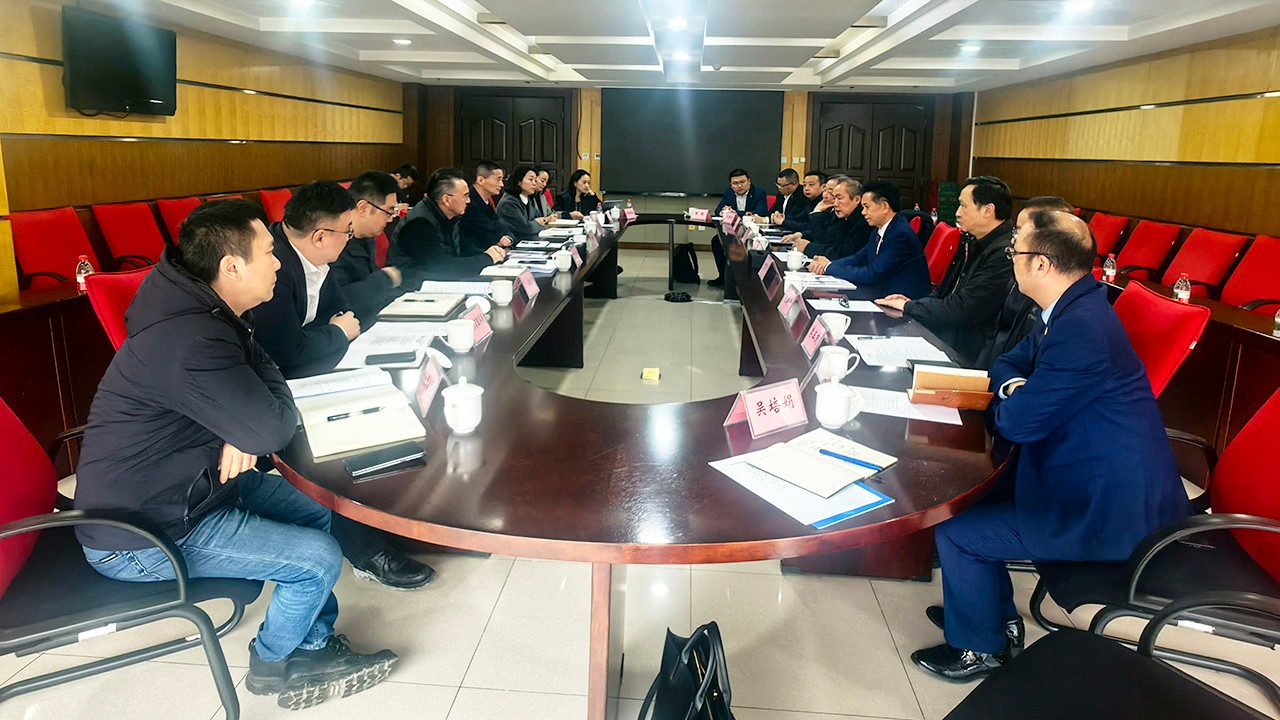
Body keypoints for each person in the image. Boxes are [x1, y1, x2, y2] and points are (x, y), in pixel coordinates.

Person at [73, 199, 398, 709]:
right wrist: (247, 426)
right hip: (142, 532)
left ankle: (312, 641)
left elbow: (260, 403)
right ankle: (276, 665)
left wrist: (241, 425)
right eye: (268, 252)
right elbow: (272, 424)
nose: (277, 262)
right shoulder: (190, 337)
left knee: (318, 505)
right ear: (231, 267)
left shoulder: (201, 310)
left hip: (193, 486)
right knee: (317, 560)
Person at [910, 209, 1189, 682]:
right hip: (1077, 469)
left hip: (1105, 507)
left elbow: (1018, 422)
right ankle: (991, 616)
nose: (1010, 257)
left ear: (1040, 263)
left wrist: (1017, 394)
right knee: (969, 499)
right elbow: (1005, 364)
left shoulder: (1081, 329)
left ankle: (980, 648)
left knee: (958, 531)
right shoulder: (1068, 307)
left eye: (1014, 249)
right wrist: (1019, 387)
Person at [254, 181, 438, 591]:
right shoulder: (273, 267)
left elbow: (344, 311)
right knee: (343, 438)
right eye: (347, 233)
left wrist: (334, 333)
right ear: (321, 235)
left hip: (315, 367)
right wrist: (336, 334)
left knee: (392, 400)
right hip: (271, 386)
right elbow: (288, 350)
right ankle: (367, 550)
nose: (351, 239)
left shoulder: (315, 255)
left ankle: (396, 512)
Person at [874, 176, 1015, 366]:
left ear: (987, 210)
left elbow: (964, 310)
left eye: (963, 206)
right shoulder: (971, 240)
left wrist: (910, 307)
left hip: (969, 352)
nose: (957, 213)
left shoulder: (1005, 254)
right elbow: (943, 292)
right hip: (949, 335)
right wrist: (913, 303)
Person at [973, 196, 1074, 370]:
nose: (1013, 240)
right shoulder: (1019, 282)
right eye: (1015, 231)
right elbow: (995, 338)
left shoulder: (1058, 304)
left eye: (1021, 231)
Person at [810, 179, 930, 298]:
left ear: (884, 207)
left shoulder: (899, 234)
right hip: (882, 290)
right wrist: (829, 264)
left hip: (902, 298)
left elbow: (873, 274)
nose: (863, 212)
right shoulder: (880, 229)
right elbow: (859, 258)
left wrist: (829, 267)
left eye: (867, 207)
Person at [391, 168, 507, 283]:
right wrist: (486, 258)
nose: (468, 201)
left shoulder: (449, 216)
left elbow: (462, 249)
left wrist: (490, 253)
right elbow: (440, 266)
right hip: (413, 286)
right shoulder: (419, 224)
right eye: (465, 196)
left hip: (436, 282)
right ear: (446, 199)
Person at [329, 171, 404, 328]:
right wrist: (385, 279)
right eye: (388, 212)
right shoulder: (334, 241)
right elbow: (338, 301)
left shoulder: (365, 237)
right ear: (363, 207)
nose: (391, 219)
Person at [786, 176, 872, 261]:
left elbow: (843, 252)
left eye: (839, 198)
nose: (835, 203)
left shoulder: (864, 221)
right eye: (834, 198)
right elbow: (825, 235)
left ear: (856, 199)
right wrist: (802, 235)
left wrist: (808, 247)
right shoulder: (842, 214)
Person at [710, 168, 768, 287]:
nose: (739, 186)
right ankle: (723, 277)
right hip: (733, 230)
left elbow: (761, 212)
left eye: (742, 182)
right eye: (735, 183)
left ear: (749, 181)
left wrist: (735, 213)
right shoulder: (729, 193)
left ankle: (746, 280)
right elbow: (718, 210)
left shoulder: (759, 193)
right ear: (731, 185)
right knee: (716, 241)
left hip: (752, 232)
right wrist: (725, 211)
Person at [457, 160, 514, 255]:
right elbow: (489, 230)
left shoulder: (485, 200)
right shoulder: (469, 203)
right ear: (480, 180)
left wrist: (508, 238)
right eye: (498, 179)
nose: (502, 184)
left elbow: (502, 225)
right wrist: (502, 236)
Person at [496, 164, 556, 243]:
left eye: (535, 180)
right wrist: (537, 222)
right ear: (519, 181)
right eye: (531, 180)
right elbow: (525, 228)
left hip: (530, 241)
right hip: (513, 243)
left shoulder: (530, 199)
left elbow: (540, 219)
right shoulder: (508, 202)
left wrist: (538, 222)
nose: (534, 183)